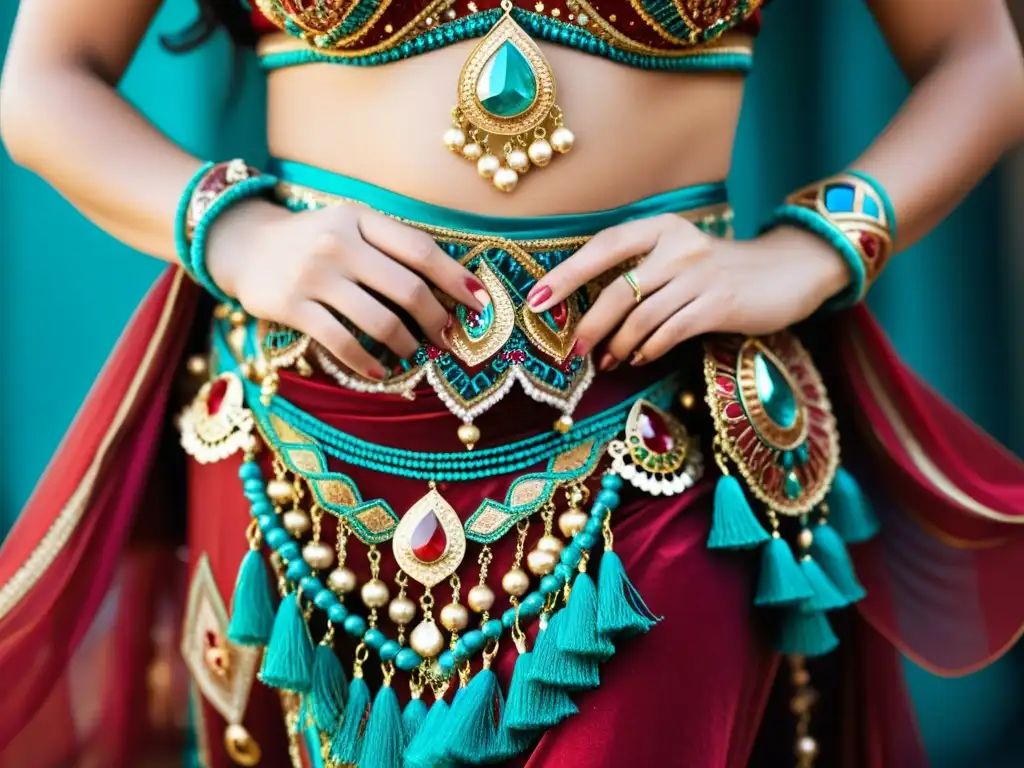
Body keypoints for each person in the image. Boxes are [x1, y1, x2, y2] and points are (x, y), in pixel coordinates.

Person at [2, 1, 1024, 766]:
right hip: (299, 448)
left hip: (653, 442)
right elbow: (47, 81)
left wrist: (807, 251)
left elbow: (976, 60)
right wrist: (232, 231)